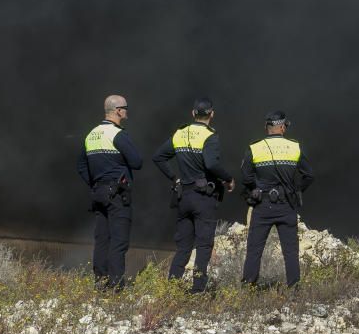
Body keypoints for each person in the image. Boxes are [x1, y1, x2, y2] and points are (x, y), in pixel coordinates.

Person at [152, 97, 235, 292]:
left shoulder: (179, 133)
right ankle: (197, 291)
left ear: (193, 113)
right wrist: (228, 179)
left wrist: (174, 178)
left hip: (184, 197)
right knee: (204, 246)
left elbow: (158, 157)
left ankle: (171, 288)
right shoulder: (210, 136)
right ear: (212, 114)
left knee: (183, 247)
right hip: (203, 198)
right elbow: (212, 164)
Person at [240, 110, 314, 288]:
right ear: (282, 127)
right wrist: (297, 190)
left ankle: (248, 289)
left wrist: (254, 189)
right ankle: (295, 289)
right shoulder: (294, 147)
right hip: (286, 204)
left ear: (267, 127)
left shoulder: (255, 147)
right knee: (290, 251)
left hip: (262, 206)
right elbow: (309, 175)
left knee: (255, 250)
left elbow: (245, 177)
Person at [77, 95, 142, 290]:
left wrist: (95, 184)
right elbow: (137, 162)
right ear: (118, 111)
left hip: (98, 193)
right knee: (119, 240)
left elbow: (81, 166)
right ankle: (116, 284)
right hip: (117, 194)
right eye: (125, 108)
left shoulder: (91, 134)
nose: (127, 111)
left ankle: (100, 282)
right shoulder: (118, 135)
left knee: (102, 239)